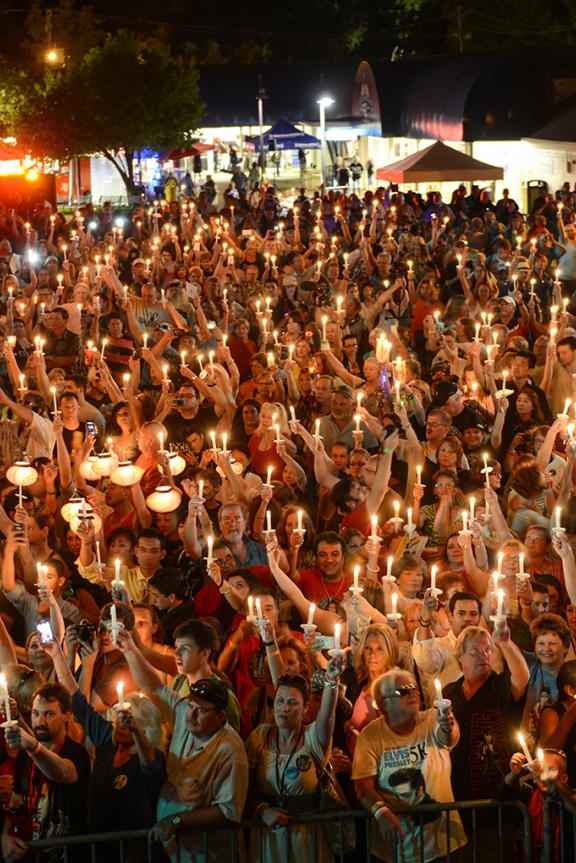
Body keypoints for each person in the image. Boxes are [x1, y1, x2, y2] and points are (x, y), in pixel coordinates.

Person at [117, 629, 248, 863]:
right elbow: (155, 686)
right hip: (176, 851)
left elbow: (228, 811)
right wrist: (129, 649)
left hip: (209, 855)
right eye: (191, 705)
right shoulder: (184, 713)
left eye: (202, 710)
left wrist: (178, 820)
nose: (192, 714)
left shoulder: (230, 750)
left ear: (220, 716)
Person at [352, 668, 466, 862]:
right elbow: (363, 786)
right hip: (397, 849)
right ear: (384, 704)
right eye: (403, 690)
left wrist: (448, 725)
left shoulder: (431, 718)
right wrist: (381, 811)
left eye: (413, 688)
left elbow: (448, 737)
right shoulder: (370, 736)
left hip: (442, 843)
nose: (412, 693)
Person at [246, 655, 344, 863]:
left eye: (292, 703)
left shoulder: (313, 739)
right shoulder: (260, 737)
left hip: (306, 838)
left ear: (305, 708)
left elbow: (328, 716)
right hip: (269, 836)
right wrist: (262, 810)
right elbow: (243, 786)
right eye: (280, 701)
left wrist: (332, 680)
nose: (285, 708)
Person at [1, 683, 90, 860]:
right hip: (31, 854)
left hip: (68, 856)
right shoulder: (24, 757)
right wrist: (4, 837)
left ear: (66, 716)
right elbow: (16, 804)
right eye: (35, 713)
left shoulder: (76, 753)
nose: (40, 722)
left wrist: (33, 746)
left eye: (49, 714)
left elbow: (63, 773)